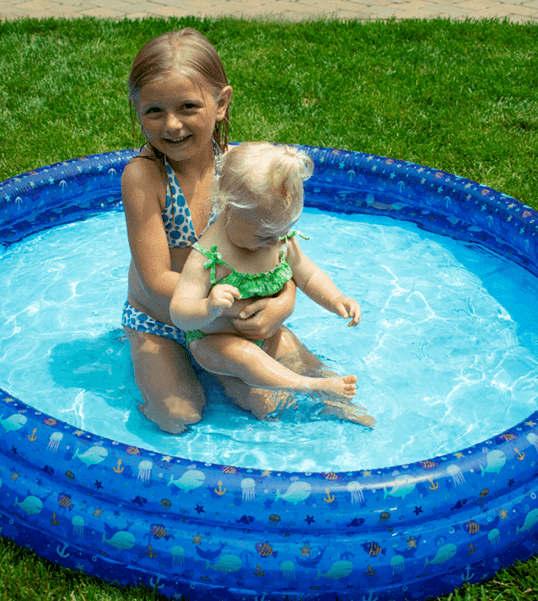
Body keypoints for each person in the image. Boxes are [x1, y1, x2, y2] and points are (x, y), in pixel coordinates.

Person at [121, 28, 301, 434]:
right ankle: (146, 359)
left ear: (221, 103)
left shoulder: (238, 167)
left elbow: (280, 248)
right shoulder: (145, 177)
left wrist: (281, 304)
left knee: (273, 403)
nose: (172, 125)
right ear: (137, 109)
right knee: (178, 417)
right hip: (163, 320)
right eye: (154, 111)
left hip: (223, 318)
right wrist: (224, 308)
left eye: (188, 106)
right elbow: (153, 280)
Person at [170, 142, 372, 417]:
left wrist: (336, 299)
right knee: (250, 368)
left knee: (298, 354)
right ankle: (308, 386)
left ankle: (335, 400)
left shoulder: (276, 238)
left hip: (268, 333)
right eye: (264, 235)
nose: (275, 242)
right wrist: (209, 307)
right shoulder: (208, 255)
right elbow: (179, 311)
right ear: (227, 205)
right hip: (215, 345)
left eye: (283, 231)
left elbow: (309, 275)